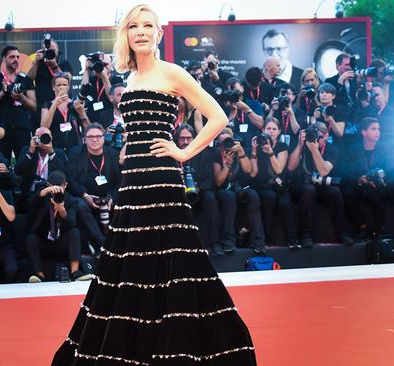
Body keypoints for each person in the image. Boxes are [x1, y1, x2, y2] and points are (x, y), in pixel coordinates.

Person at [51, 5, 256, 365]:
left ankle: (182, 345)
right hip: (132, 184)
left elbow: (218, 116)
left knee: (174, 260)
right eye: (134, 26)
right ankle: (136, 347)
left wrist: (183, 152)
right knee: (130, 264)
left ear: (159, 33)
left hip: (162, 180)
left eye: (148, 26)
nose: (141, 31)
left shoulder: (172, 73)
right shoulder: (128, 79)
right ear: (126, 35)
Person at [287, 122, 353, 247]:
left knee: (335, 192)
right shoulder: (302, 145)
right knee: (309, 190)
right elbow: (290, 167)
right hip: (302, 185)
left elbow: (323, 171)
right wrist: (301, 145)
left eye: (320, 137)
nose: (316, 139)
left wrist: (314, 150)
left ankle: (341, 234)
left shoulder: (333, 149)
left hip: (322, 184)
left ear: (327, 135)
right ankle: (305, 234)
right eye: (314, 136)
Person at [25, 170, 91, 283]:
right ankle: (39, 275)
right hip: (44, 241)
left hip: (62, 242)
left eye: (59, 187)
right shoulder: (42, 197)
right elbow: (26, 204)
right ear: (48, 185)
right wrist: (43, 192)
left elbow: (72, 223)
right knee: (31, 238)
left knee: (74, 232)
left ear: (65, 185)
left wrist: (62, 210)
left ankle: (75, 272)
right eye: (52, 187)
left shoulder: (71, 200)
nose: (56, 191)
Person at [66, 123, 120, 255]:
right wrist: (85, 195)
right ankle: (102, 242)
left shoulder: (113, 154)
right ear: (84, 139)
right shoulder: (76, 153)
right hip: (85, 196)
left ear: (103, 138)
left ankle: (120, 244)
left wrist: (111, 198)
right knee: (80, 205)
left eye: (97, 136)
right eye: (90, 137)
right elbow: (71, 180)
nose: (94, 140)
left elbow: (119, 180)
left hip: (108, 197)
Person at [212, 128, 265, 254]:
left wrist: (241, 152)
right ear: (219, 143)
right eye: (224, 141)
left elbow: (248, 171)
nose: (227, 145)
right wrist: (227, 165)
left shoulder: (238, 152)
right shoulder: (215, 154)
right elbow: (218, 181)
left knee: (253, 196)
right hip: (221, 190)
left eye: (229, 140)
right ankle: (229, 242)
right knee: (229, 197)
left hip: (237, 187)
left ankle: (259, 242)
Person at [341, 118, 394, 241]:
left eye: (378, 129)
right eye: (373, 129)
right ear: (364, 132)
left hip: (381, 184)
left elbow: (389, 169)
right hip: (361, 184)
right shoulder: (354, 149)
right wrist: (359, 180)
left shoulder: (384, 148)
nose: (377, 132)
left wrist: (377, 179)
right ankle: (364, 227)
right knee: (348, 194)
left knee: (375, 193)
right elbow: (347, 171)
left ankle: (380, 229)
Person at [249, 118, 298, 248]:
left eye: (274, 129)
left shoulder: (282, 146)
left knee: (285, 203)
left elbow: (278, 169)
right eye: (268, 128)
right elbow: (253, 173)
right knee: (269, 197)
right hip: (262, 186)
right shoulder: (257, 145)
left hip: (279, 186)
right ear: (263, 130)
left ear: (279, 132)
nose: (271, 131)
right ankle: (266, 238)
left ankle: (293, 240)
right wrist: (254, 151)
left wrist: (270, 151)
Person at [0, 45, 37, 160]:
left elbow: (33, 106)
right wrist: (3, 92)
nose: (16, 60)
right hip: (2, 128)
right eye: (12, 57)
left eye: (17, 57)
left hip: (22, 127)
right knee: (1, 164)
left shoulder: (25, 80)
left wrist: (21, 98)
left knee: (24, 165)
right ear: (4, 59)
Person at [174, 124, 219, 253]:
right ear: (177, 139)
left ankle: (215, 243)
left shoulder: (204, 153)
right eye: (182, 138)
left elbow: (210, 180)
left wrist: (197, 188)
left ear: (194, 139)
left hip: (200, 191)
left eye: (189, 138)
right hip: (178, 191)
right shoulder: (173, 154)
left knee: (210, 197)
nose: (185, 142)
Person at [14, 127, 68, 212]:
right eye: (40, 137)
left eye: (46, 136)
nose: (44, 139)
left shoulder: (58, 153)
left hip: (52, 193)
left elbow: (63, 173)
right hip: (31, 194)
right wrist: (30, 152)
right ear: (35, 138)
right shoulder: (27, 150)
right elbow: (17, 171)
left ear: (51, 138)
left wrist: (51, 153)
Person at [40, 72, 88, 153]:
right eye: (59, 85)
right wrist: (55, 104)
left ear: (68, 87)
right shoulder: (47, 105)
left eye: (64, 85)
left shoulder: (74, 104)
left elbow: (87, 127)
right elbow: (44, 127)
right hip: (55, 149)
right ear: (53, 87)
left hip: (75, 148)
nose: (61, 87)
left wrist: (81, 112)